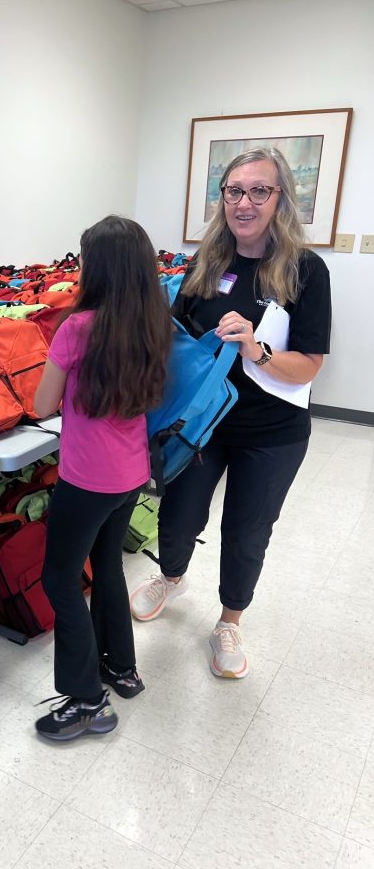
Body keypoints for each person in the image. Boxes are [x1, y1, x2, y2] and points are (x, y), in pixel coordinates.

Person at [130, 147, 331, 679]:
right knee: (177, 515)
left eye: (258, 191)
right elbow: (175, 333)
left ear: (280, 198)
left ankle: (229, 621)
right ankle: (171, 577)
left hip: (273, 432)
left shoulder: (306, 270)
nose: (244, 202)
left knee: (247, 531)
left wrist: (256, 351)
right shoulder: (207, 261)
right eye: (234, 191)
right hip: (201, 425)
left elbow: (308, 366)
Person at [33, 214, 172, 742]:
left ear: (99, 267)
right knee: (108, 564)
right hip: (131, 475)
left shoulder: (77, 327)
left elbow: (44, 404)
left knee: (59, 579)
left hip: (86, 479)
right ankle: (122, 668)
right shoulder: (152, 323)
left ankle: (88, 701)